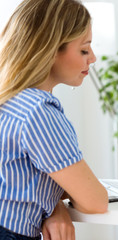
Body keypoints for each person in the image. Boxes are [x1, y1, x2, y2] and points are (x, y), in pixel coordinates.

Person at [0, 0, 108, 239]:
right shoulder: (37, 111)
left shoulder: (10, 101)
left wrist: (54, 207)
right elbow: (95, 201)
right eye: (84, 49)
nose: (93, 58)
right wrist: (58, 206)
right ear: (50, 50)